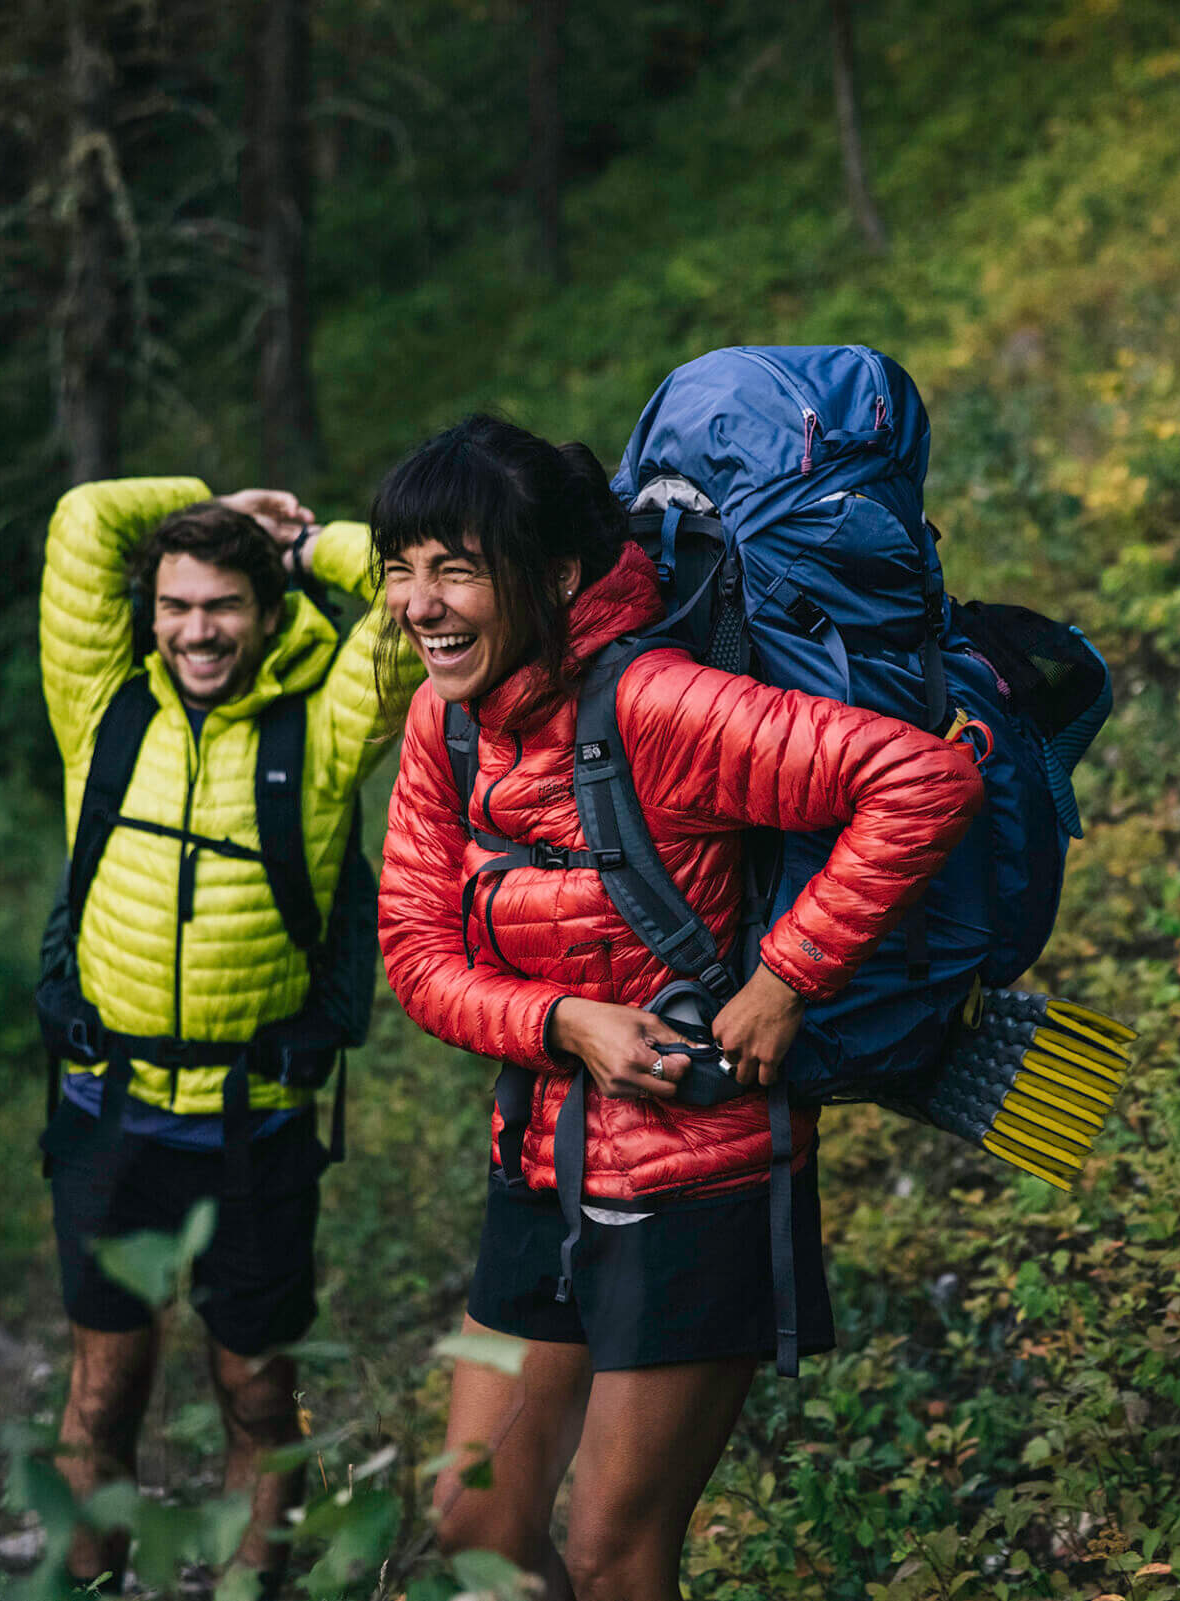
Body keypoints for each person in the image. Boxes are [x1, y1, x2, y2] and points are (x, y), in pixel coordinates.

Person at [373, 416, 985, 1601]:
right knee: (470, 1516)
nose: (420, 602)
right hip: (537, 1173)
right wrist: (565, 1022)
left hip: (698, 1184)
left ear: (552, 576)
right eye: (402, 566)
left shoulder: (659, 705)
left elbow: (922, 776)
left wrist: (786, 978)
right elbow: (413, 947)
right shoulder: (443, 723)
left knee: (613, 1545)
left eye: (455, 567)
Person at [37, 477, 414, 1590]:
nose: (198, 629)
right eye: (177, 604)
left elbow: (406, 599)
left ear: (266, 608)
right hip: (108, 1109)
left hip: (254, 1125)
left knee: (256, 1386)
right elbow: (83, 520)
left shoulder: (325, 722)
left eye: (225, 603)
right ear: (148, 612)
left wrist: (306, 547)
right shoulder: (99, 703)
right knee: (101, 1388)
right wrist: (209, 500)